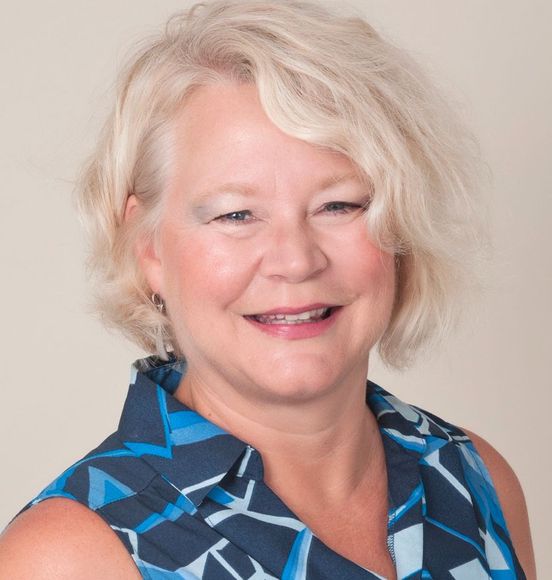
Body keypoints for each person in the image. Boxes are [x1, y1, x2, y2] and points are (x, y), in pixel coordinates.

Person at [0, 1, 536, 578]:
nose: (296, 259)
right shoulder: (69, 558)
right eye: (235, 214)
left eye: (339, 204)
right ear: (149, 248)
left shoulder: (476, 476)